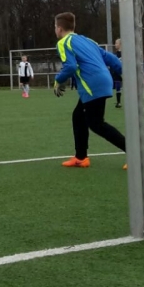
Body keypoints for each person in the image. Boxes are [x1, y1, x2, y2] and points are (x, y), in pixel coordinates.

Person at [52, 12, 126, 169]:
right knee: (78, 116)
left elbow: (71, 66)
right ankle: (81, 157)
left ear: (59, 28)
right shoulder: (87, 40)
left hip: (92, 85)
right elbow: (111, 58)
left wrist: (58, 80)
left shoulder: (63, 43)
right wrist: (125, 73)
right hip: (104, 81)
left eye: (55, 27)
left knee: (96, 123)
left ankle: (135, 154)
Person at [113, 39, 123, 109]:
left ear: (120, 44)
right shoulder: (115, 54)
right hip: (117, 72)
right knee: (118, 86)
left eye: (116, 43)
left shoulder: (124, 54)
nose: (115, 44)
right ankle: (118, 102)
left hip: (123, 72)